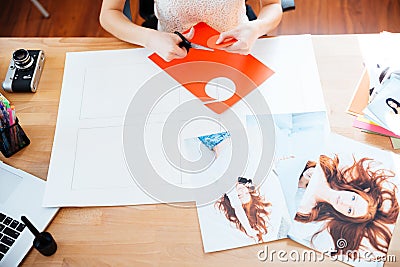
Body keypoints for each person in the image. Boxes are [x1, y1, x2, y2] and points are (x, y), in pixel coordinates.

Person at [99, 0, 283, 61]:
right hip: (169, 53)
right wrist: (150, 38)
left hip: (236, 51)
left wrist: (258, 26)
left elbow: (272, 4)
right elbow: (109, 13)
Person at [294, 154, 399, 258]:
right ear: (354, 192)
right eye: (353, 198)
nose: (344, 202)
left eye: (349, 210)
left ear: (344, 216)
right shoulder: (326, 168)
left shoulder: (309, 216)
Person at [215, 177, 271, 242]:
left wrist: (249, 230)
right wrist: (249, 185)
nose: (242, 191)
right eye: (247, 193)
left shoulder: (231, 190)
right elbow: (253, 188)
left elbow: (238, 209)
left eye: (239, 195)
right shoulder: (245, 181)